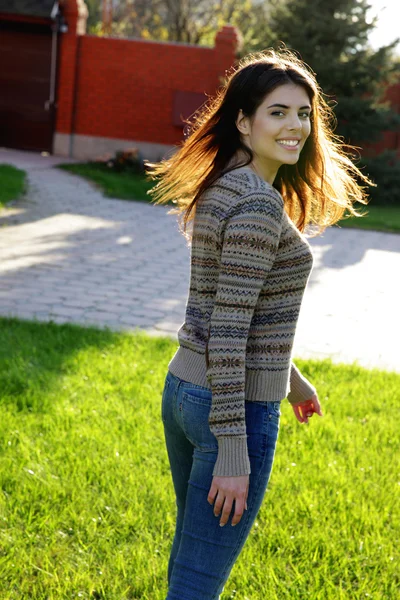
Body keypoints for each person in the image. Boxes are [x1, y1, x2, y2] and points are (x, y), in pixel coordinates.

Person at [149, 48, 370, 600]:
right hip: (231, 409)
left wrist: (291, 379)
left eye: (304, 112)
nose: (296, 125)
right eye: (278, 112)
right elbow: (227, 330)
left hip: (184, 391)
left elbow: (237, 313)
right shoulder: (258, 206)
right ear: (243, 122)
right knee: (197, 585)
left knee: (190, 559)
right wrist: (232, 450)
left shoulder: (224, 185)